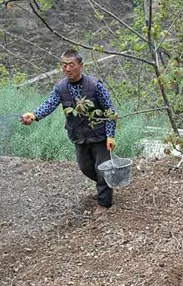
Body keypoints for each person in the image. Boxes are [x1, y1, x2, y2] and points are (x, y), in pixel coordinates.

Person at [19, 50, 117, 214]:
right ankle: (106, 184)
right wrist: (34, 115)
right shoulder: (61, 87)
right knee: (85, 168)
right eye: (64, 65)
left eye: (71, 64)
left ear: (80, 65)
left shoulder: (95, 85)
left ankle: (104, 203)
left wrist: (110, 135)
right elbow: (49, 104)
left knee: (102, 169)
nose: (67, 69)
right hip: (78, 136)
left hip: (99, 135)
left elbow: (110, 111)